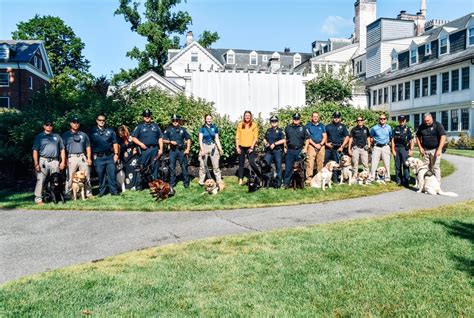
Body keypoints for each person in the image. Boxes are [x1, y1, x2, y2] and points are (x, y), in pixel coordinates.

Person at [32, 119, 66, 204]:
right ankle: (38, 199)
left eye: (51, 125)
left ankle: (57, 198)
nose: (49, 126)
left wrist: (62, 162)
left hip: (54, 161)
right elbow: (35, 150)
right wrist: (36, 163)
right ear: (44, 126)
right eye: (47, 125)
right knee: (41, 180)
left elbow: (62, 149)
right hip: (43, 161)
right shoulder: (39, 137)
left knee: (57, 180)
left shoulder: (57, 136)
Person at [62, 116, 92, 198]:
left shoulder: (83, 134)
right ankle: (68, 194)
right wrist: (64, 160)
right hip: (71, 157)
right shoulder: (66, 135)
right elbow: (63, 149)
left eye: (77, 123)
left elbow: (88, 147)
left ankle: (88, 193)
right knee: (70, 176)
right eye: (74, 122)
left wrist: (89, 158)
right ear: (70, 123)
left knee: (86, 175)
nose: (76, 124)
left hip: (82, 156)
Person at [89, 114, 120, 196]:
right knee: (100, 175)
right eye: (100, 120)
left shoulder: (110, 131)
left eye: (103, 120)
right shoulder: (92, 131)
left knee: (112, 175)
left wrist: (116, 154)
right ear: (97, 121)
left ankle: (114, 191)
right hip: (98, 157)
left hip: (109, 156)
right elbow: (89, 145)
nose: (102, 122)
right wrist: (90, 157)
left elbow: (115, 142)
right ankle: (102, 192)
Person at [131, 109, 163, 182]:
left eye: (148, 115)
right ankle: (139, 185)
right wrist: (140, 144)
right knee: (142, 167)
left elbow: (160, 138)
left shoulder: (156, 126)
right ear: (143, 117)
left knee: (155, 167)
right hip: (144, 150)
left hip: (154, 149)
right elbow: (133, 138)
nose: (147, 117)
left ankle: (155, 184)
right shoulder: (139, 127)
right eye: (145, 116)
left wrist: (161, 149)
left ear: (151, 116)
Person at [416, 113, 446, 183]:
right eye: (425, 121)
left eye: (428, 120)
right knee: (426, 167)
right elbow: (417, 136)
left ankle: (437, 184)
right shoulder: (422, 126)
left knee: (435, 167)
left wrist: (439, 149)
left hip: (435, 149)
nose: (426, 122)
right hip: (425, 150)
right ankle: (427, 183)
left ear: (431, 118)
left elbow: (443, 136)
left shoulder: (437, 125)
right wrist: (420, 148)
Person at [163, 114, 191, 188]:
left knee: (184, 167)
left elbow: (188, 139)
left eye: (176, 120)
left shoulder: (183, 129)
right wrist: (170, 142)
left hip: (181, 151)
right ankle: (172, 183)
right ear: (172, 121)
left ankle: (186, 183)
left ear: (179, 121)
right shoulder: (168, 130)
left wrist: (188, 149)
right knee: (172, 167)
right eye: (173, 120)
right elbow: (163, 139)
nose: (175, 122)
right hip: (173, 151)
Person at [284, 112, 309, 188]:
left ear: (300, 119)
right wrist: (284, 147)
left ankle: (300, 184)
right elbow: (284, 138)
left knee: (300, 168)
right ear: (293, 119)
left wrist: (305, 148)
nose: (296, 120)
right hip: (290, 150)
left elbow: (307, 138)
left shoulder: (303, 128)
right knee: (288, 168)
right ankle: (286, 184)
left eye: (297, 118)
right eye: (295, 118)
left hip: (299, 150)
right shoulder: (287, 127)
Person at [235, 110, 260, 186]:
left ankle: (259, 176)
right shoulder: (240, 125)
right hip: (241, 147)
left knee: (252, 163)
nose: (247, 117)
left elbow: (255, 137)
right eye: (246, 115)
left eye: (249, 115)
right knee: (241, 164)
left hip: (250, 147)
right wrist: (237, 147)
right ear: (244, 116)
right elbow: (237, 137)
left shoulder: (254, 125)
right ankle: (240, 179)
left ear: (251, 116)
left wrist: (252, 147)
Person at [198, 114, 224, 185]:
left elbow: (216, 139)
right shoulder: (202, 128)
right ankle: (201, 181)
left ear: (212, 119)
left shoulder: (214, 127)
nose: (209, 120)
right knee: (203, 165)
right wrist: (202, 150)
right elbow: (200, 140)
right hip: (204, 146)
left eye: (210, 119)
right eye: (207, 119)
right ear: (205, 119)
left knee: (216, 165)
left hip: (213, 147)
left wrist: (220, 148)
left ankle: (218, 180)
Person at [324, 111, 349, 182]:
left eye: (338, 117)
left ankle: (335, 179)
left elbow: (347, 136)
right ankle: (325, 178)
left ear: (340, 118)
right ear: (333, 118)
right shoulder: (328, 126)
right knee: (325, 163)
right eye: (335, 117)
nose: (336, 119)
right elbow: (324, 135)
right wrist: (326, 143)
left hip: (338, 148)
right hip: (329, 147)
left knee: (336, 163)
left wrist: (342, 146)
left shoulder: (343, 126)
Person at [263, 115, 286, 187]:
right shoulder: (268, 130)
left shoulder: (280, 131)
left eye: (275, 121)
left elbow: (284, 140)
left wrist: (275, 144)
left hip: (277, 151)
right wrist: (266, 143)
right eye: (272, 121)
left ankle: (278, 184)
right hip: (269, 151)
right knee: (266, 166)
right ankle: (266, 183)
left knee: (278, 167)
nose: (274, 122)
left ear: (277, 122)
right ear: (270, 122)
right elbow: (264, 138)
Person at [304, 111, 327, 184]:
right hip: (311, 146)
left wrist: (320, 144)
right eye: (314, 116)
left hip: (321, 146)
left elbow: (325, 136)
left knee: (320, 162)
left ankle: (320, 178)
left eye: (317, 116)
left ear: (318, 117)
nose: (315, 118)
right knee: (310, 162)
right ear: (311, 117)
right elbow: (308, 137)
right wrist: (314, 144)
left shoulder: (322, 126)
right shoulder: (307, 126)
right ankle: (309, 179)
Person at [391, 115, 414, 187]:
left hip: (405, 149)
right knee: (397, 166)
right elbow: (392, 140)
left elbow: (411, 140)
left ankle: (406, 181)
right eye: (400, 120)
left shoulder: (408, 129)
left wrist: (411, 150)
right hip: (397, 149)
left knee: (406, 165)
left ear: (405, 121)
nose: (401, 121)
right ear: (398, 121)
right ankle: (399, 181)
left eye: (403, 120)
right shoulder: (395, 129)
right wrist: (393, 150)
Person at [369, 114, 393, 182]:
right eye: (381, 119)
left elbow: (391, 137)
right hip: (377, 147)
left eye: (384, 119)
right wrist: (372, 144)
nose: (382, 120)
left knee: (387, 163)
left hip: (385, 146)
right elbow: (371, 137)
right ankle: (372, 177)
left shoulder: (389, 127)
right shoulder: (374, 128)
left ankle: (387, 177)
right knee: (374, 162)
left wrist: (390, 146)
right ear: (379, 119)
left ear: (386, 120)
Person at [117, 125, 140, 190]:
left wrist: (136, 149)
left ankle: (134, 185)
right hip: (124, 158)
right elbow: (119, 150)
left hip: (133, 156)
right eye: (120, 134)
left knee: (133, 169)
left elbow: (137, 145)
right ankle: (127, 185)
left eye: (122, 134)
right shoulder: (119, 141)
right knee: (126, 171)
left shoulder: (131, 138)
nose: (121, 135)